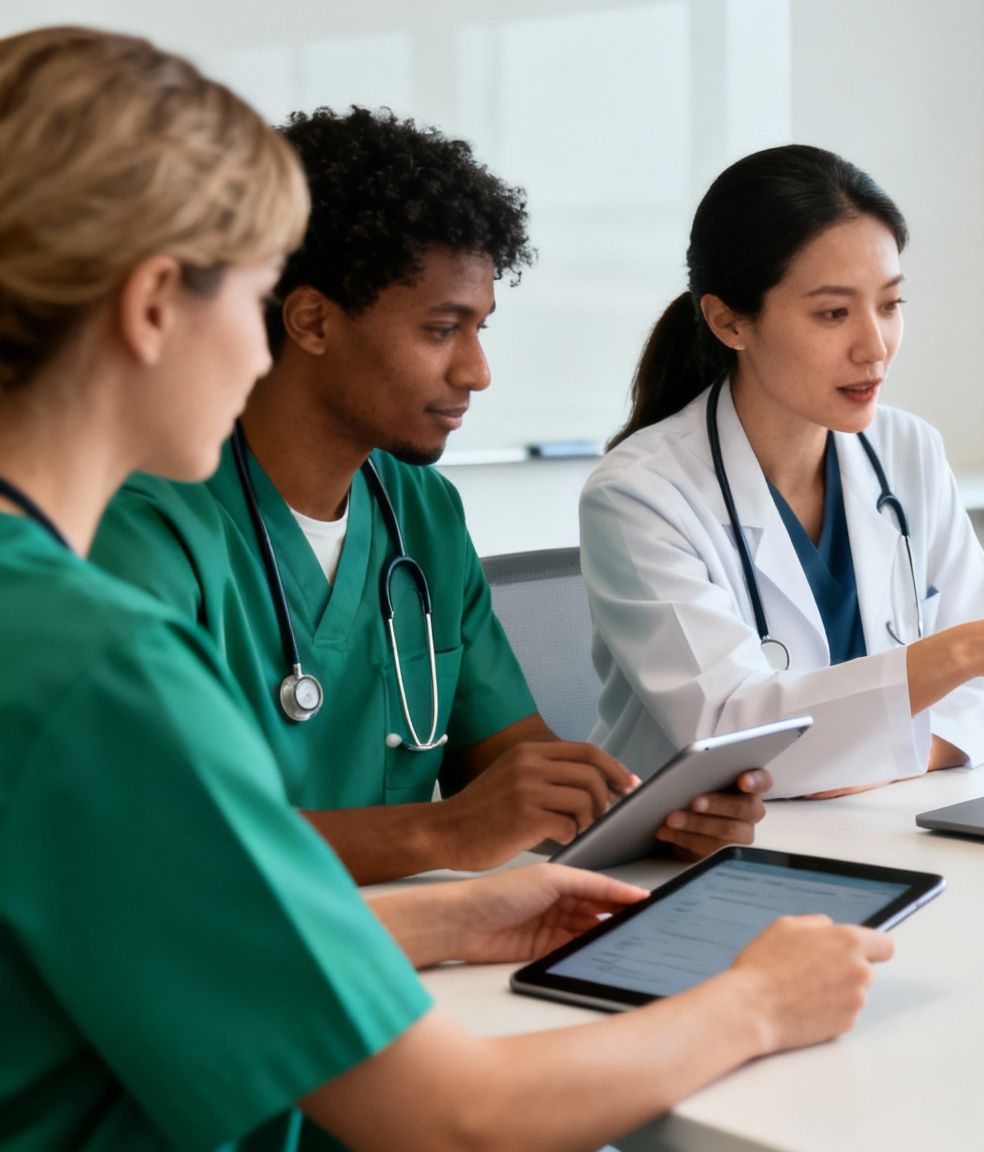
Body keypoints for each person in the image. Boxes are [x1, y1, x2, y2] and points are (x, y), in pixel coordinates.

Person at [0, 27, 891, 1150]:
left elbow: (163, 909)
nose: (255, 342)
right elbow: (454, 1119)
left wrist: (456, 910)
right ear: (152, 306)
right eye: (255, 294)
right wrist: (762, 998)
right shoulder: (90, 659)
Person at [86, 106, 767, 882]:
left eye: (481, 328)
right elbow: (156, 841)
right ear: (311, 319)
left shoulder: (423, 514)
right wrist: (436, 835)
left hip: (429, 949)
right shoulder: (143, 526)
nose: (477, 371)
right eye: (443, 329)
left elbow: (514, 766)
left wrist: (650, 811)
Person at [580, 145, 984, 796]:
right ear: (729, 320)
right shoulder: (641, 494)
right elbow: (733, 744)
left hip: (873, 827)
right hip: (685, 860)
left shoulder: (907, 451)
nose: (875, 347)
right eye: (833, 313)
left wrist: (847, 758)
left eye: (890, 304)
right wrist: (957, 653)